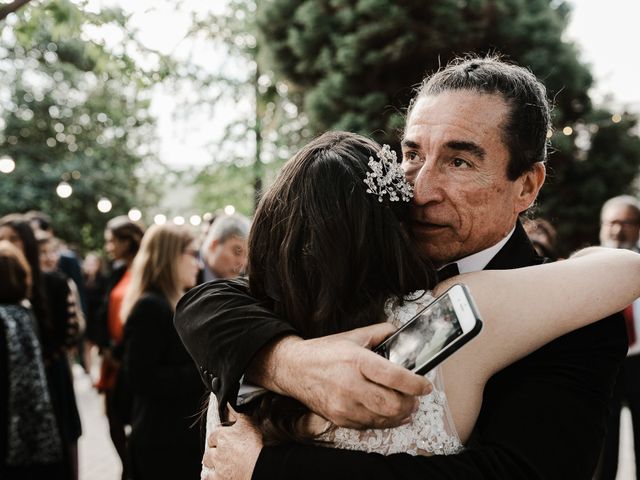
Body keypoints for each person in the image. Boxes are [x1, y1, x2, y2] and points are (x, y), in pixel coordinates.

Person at [175, 55, 629, 479]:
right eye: (412, 155)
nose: (420, 189)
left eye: (458, 161)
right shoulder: (345, 271)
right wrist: (287, 360)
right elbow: (205, 302)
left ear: (526, 186)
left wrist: (268, 468)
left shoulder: (578, 315)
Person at [117, 223, 204, 479]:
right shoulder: (150, 307)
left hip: (175, 438)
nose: (198, 265)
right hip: (161, 442)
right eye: (193, 254)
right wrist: (203, 372)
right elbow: (141, 378)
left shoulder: (174, 302)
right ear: (171, 256)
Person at [0, 214, 81, 480]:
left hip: (51, 378)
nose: (6, 243)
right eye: (2, 238)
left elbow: (69, 334)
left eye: (13, 238)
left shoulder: (53, 282)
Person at [94, 215, 144, 480]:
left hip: (130, 356)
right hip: (112, 356)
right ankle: (127, 467)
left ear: (128, 241)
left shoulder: (145, 271)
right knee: (112, 418)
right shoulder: (116, 271)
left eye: (112, 241)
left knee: (132, 417)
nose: (109, 247)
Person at [596, 195, 640, 480]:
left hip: (639, 360)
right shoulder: (588, 265)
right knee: (602, 440)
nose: (618, 229)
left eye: (626, 222)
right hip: (602, 363)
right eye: (612, 222)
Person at [199, 213, 250, 282]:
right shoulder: (185, 275)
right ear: (214, 245)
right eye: (237, 252)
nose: (243, 263)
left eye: (247, 256)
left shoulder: (243, 284)